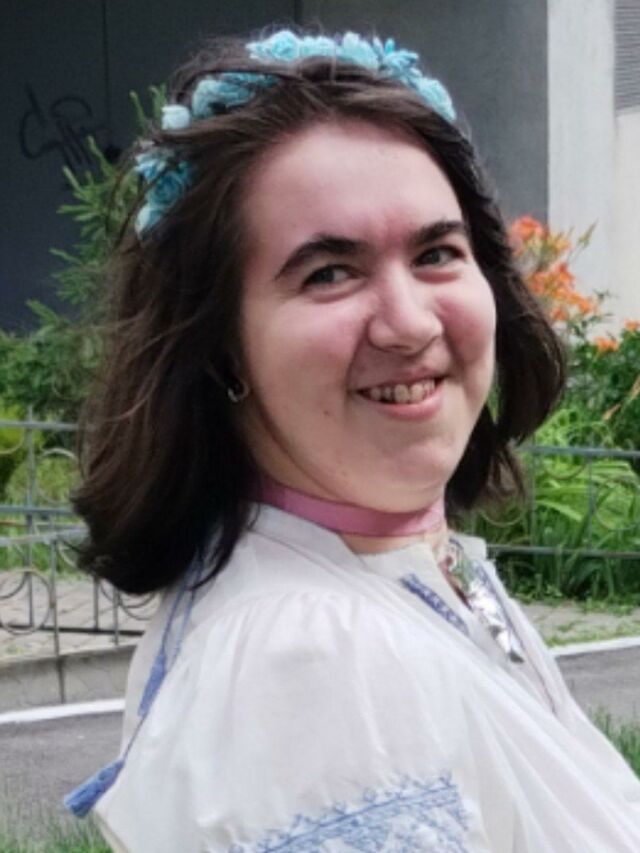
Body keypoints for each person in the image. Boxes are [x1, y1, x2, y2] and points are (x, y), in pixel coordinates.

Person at [65, 28, 640, 851]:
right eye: (329, 272)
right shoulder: (314, 659)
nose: (409, 322)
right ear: (220, 343)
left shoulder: (385, 569)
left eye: (436, 252)